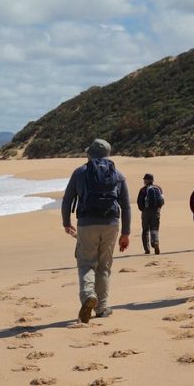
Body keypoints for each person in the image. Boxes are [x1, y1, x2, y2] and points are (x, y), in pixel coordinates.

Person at [61, 138, 131, 323]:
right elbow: (126, 205)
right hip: (111, 224)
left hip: (86, 223)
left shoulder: (79, 173)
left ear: (90, 154)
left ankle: (88, 295)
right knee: (104, 266)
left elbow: (67, 200)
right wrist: (126, 233)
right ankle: (102, 307)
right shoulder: (118, 174)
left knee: (86, 264)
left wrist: (66, 222)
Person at [136, 173, 164, 255]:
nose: (144, 181)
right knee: (154, 229)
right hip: (156, 211)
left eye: (145, 179)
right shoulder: (159, 188)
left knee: (145, 230)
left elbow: (139, 202)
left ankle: (147, 249)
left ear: (147, 180)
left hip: (146, 212)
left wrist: (143, 210)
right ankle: (155, 243)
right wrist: (158, 208)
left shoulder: (143, 190)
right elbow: (162, 200)